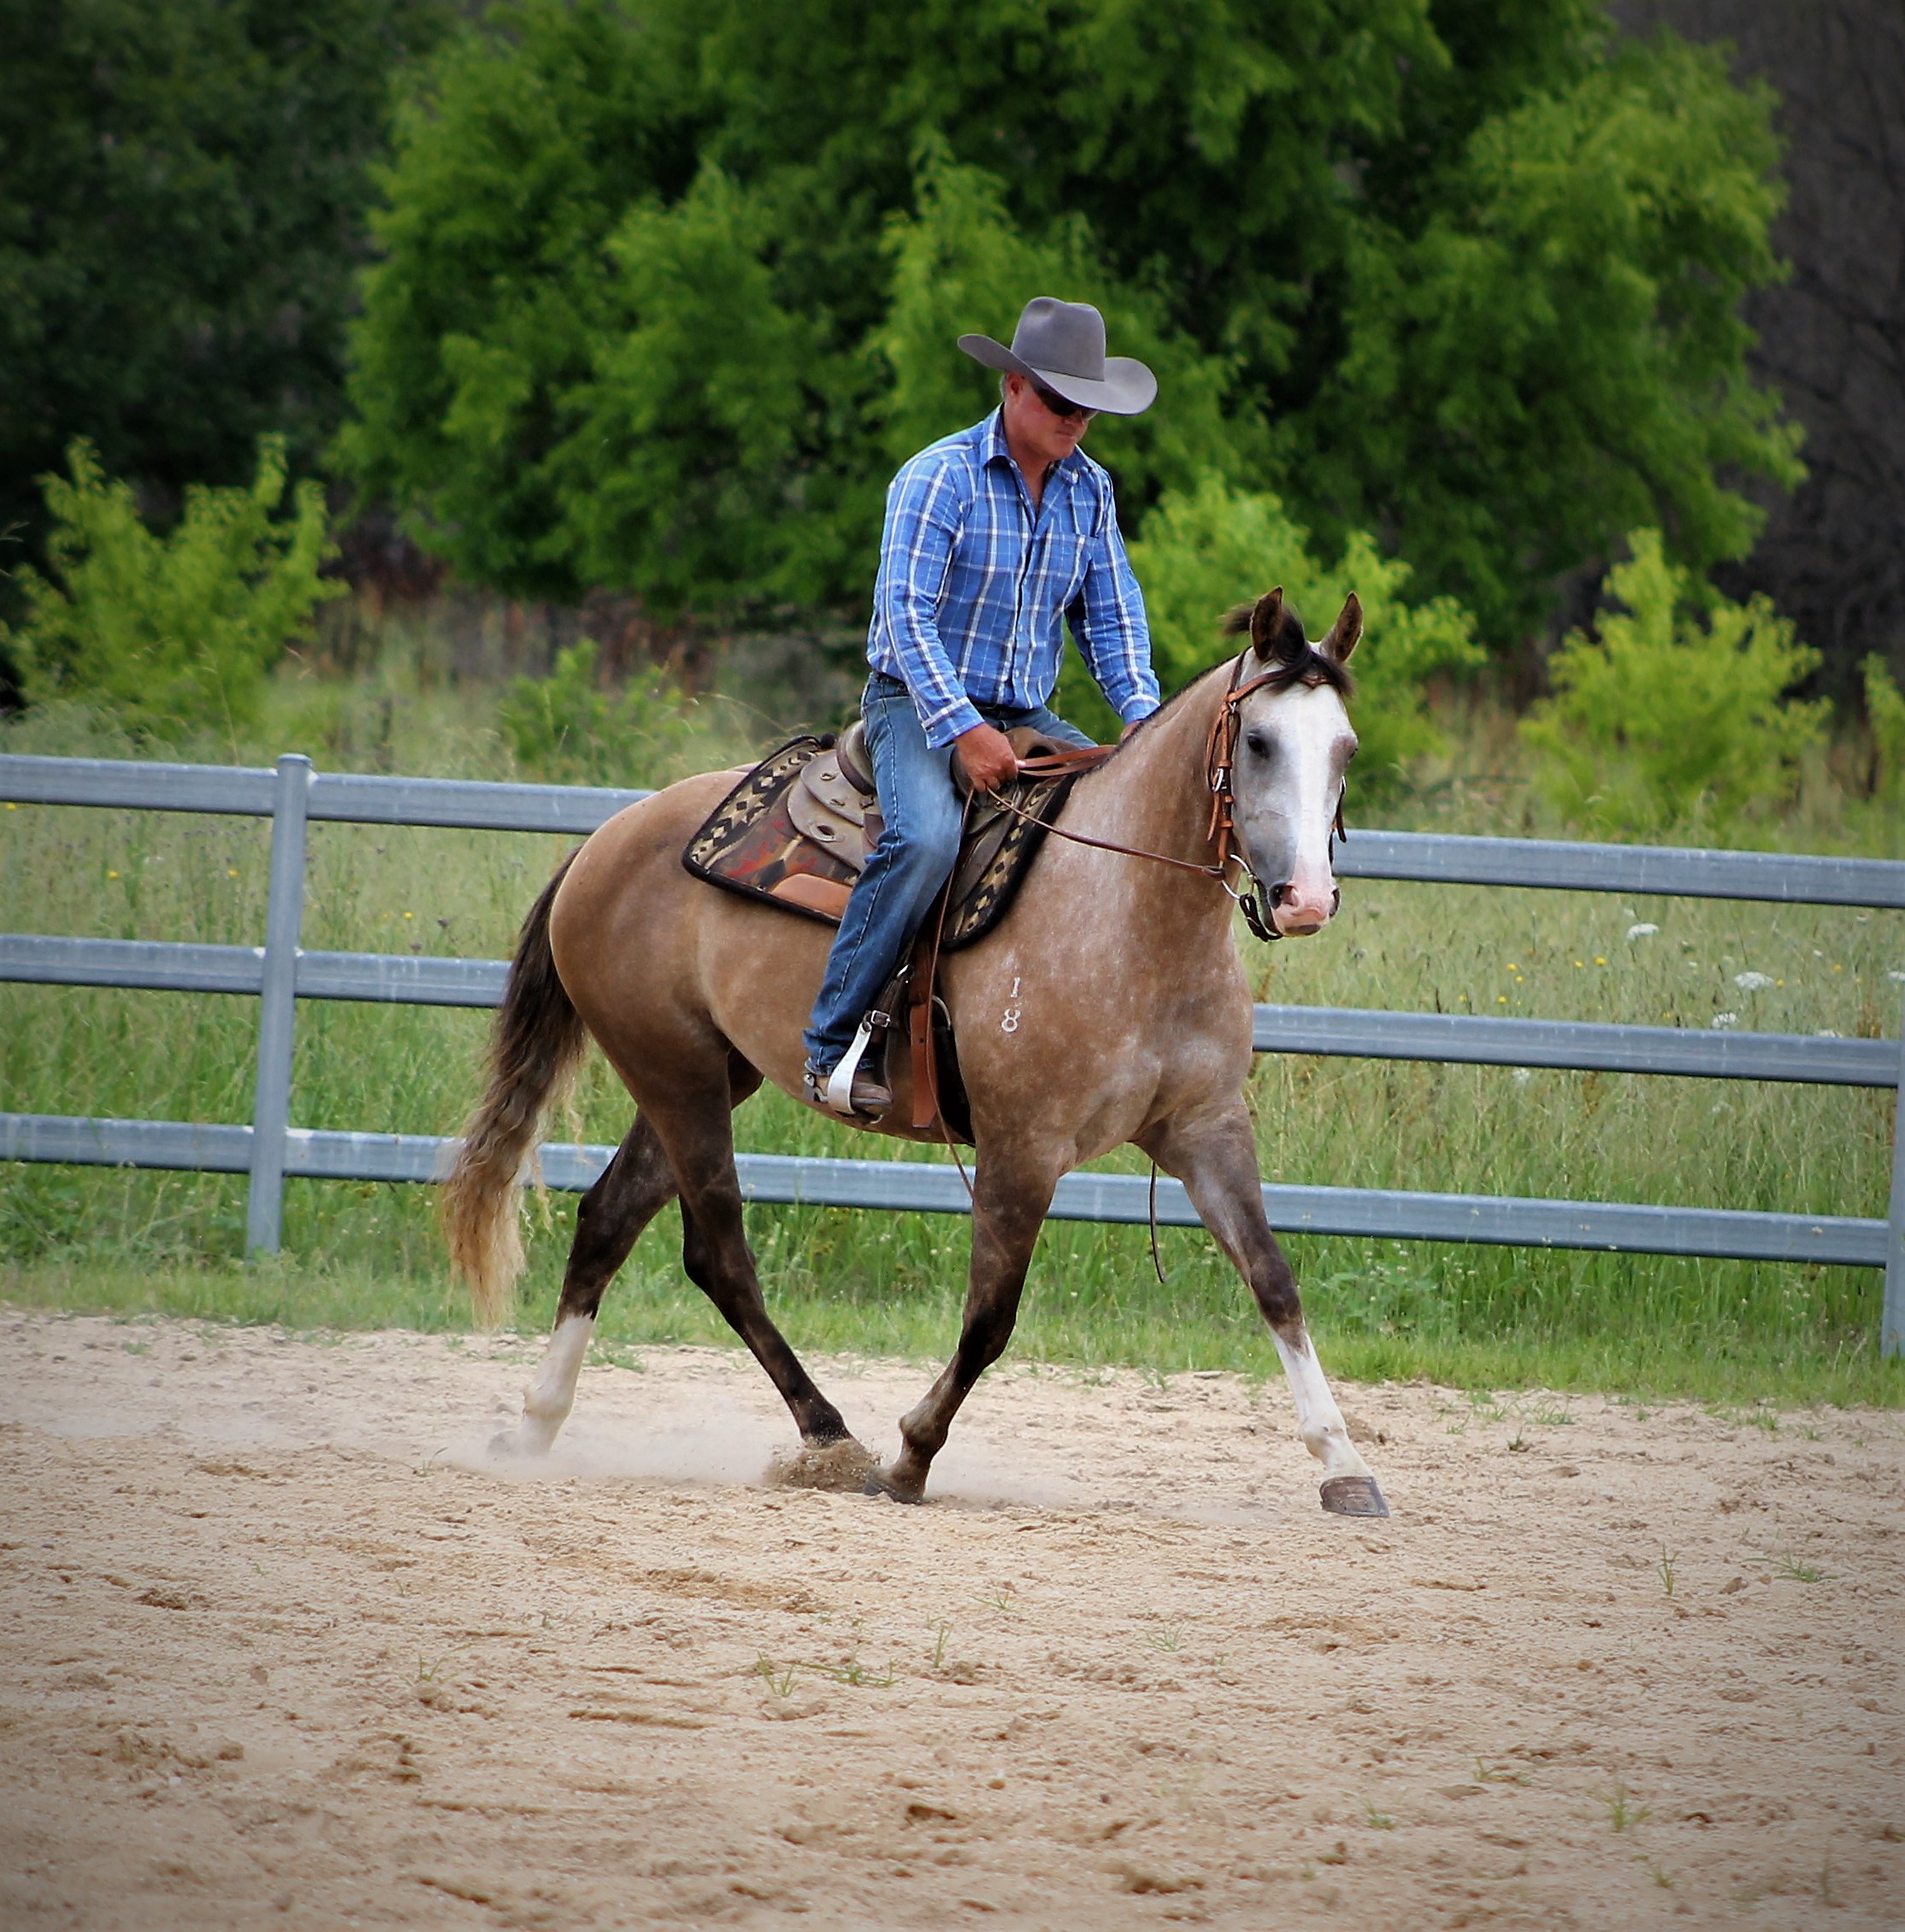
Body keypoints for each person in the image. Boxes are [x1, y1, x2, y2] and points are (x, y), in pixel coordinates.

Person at [802, 296, 1162, 1118]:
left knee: (1120, 826)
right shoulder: (940, 477)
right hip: (915, 702)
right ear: (1013, 387)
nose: (1076, 421)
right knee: (925, 841)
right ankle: (834, 1044)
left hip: (1026, 710)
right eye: (1061, 401)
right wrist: (963, 728)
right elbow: (905, 614)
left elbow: (1110, 616)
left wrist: (1141, 716)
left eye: (1089, 408)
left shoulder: (1090, 491)